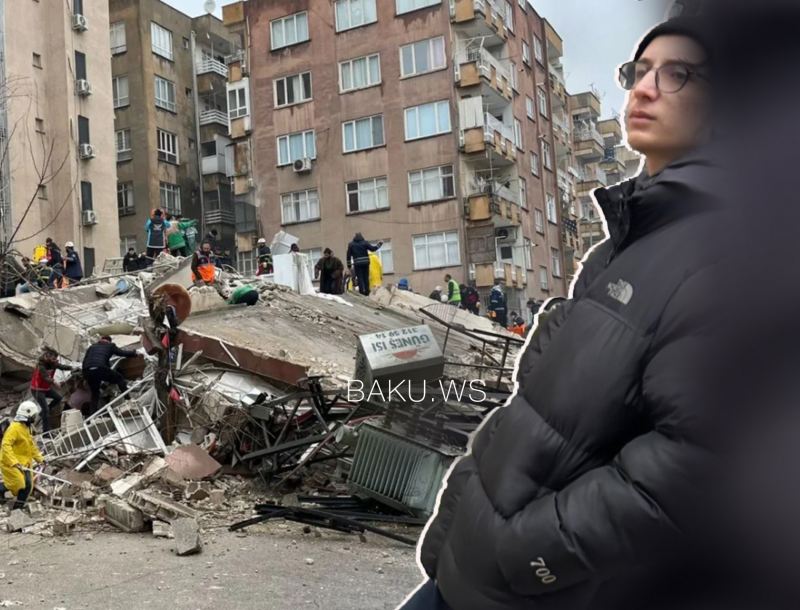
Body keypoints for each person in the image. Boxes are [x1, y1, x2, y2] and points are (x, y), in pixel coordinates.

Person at [409, 17, 719, 610]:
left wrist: (528, 554)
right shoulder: (618, 247)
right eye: (639, 71)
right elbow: (532, 411)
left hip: (527, 590)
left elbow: (693, 467)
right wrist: (457, 522)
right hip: (465, 575)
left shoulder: (718, 255)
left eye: (677, 74)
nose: (645, 88)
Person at [81, 336, 141, 417]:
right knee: (119, 379)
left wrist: (85, 375)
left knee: (95, 394)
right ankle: (128, 400)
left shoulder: (92, 347)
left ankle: (92, 416)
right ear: (109, 341)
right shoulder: (110, 346)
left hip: (87, 370)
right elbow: (122, 353)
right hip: (100, 368)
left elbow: (85, 361)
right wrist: (134, 353)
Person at [0, 401, 44, 510]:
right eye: (34, 415)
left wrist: (40, 459)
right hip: (9, 462)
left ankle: (18, 508)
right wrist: (14, 462)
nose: (35, 417)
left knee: (28, 486)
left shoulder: (27, 428)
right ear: (28, 415)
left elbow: (31, 445)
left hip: (24, 462)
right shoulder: (14, 428)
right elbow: (5, 445)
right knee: (17, 483)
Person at [30, 348, 75, 433]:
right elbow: (45, 377)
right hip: (37, 390)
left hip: (46, 389)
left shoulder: (53, 364)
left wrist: (72, 368)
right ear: (47, 356)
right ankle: (46, 432)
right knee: (46, 410)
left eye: (55, 358)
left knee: (58, 398)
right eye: (53, 358)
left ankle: (43, 412)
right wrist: (55, 382)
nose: (55, 360)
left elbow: (61, 367)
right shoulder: (41, 365)